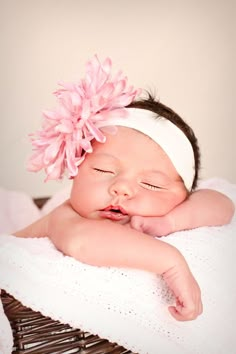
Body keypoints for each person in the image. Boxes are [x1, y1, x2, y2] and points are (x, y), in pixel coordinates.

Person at [13, 56, 234, 322]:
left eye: (151, 184)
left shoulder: (174, 209)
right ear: (75, 172)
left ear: (182, 197)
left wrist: (169, 221)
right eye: (103, 170)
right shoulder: (67, 216)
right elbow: (82, 241)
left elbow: (222, 203)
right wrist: (171, 263)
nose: (121, 188)